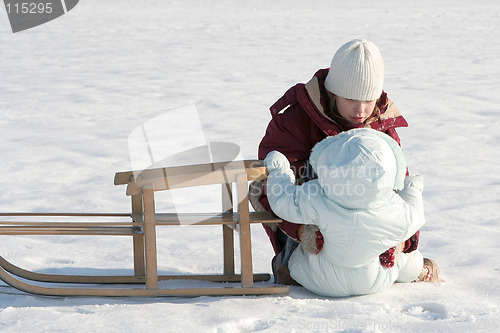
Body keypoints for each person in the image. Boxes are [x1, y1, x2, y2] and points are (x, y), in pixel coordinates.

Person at [249, 38, 419, 284]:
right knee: (264, 186)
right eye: (351, 99)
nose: (360, 110)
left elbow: (400, 185)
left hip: (366, 230)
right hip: (311, 222)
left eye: (368, 100)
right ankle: (291, 260)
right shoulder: (295, 121)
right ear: (333, 91)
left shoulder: (380, 125)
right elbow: (272, 184)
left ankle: (407, 267)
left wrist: (403, 240)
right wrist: (299, 231)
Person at [264, 128, 441, 297]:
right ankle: (420, 271)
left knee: (299, 259)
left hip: (321, 280)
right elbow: (416, 215)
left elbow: (284, 201)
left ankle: (291, 269)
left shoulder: (317, 194)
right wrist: (411, 189)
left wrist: (279, 171)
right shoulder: (393, 205)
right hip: (373, 281)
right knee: (403, 258)